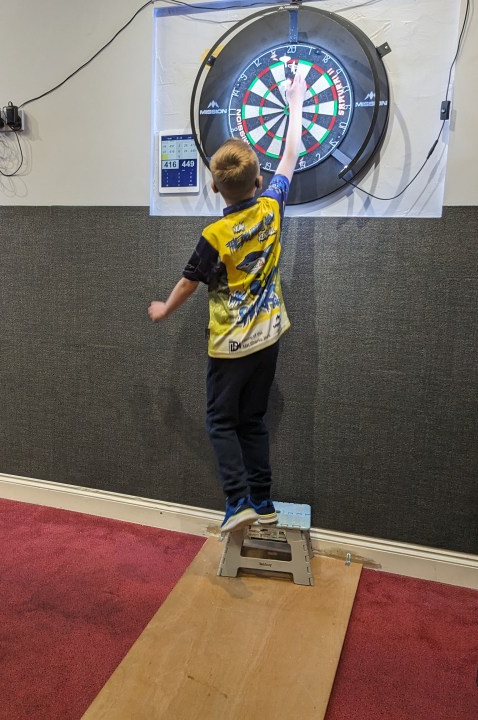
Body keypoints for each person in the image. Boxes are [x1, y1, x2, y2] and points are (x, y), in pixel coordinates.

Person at [149, 72, 306, 534]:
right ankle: (263, 500)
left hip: (231, 345)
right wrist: (294, 103)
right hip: (270, 337)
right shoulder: (273, 206)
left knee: (220, 421)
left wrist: (163, 310)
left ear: (216, 188)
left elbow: (188, 283)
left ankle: (237, 502)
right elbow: (292, 154)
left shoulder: (214, 235)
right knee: (253, 420)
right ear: (259, 179)